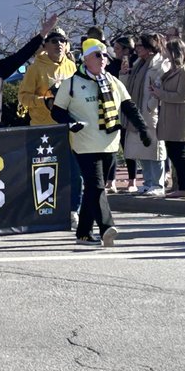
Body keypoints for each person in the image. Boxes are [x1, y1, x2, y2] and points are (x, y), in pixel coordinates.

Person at [51, 39, 151, 247]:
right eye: (98, 55)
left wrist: (143, 129)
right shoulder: (71, 83)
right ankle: (107, 227)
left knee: (92, 189)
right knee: (96, 186)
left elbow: (129, 107)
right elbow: (57, 111)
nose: (103, 59)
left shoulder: (113, 81)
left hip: (110, 144)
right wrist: (70, 124)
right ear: (86, 58)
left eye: (105, 55)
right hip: (84, 144)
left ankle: (84, 233)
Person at [17, 25, 82, 227]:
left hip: (67, 129)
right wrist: (44, 101)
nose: (59, 44)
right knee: (44, 172)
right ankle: (41, 212)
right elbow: (23, 97)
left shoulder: (71, 67)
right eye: (54, 41)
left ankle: (73, 210)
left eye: (62, 41)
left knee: (74, 173)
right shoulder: (36, 68)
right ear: (45, 45)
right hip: (44, 129)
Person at [123, 33, 170, 196]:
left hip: (151, 113)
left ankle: (158, 183)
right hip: (137, 113)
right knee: (141, 148)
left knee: (155, 149)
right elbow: (127, 87)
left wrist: (151, 106)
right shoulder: (138, 64)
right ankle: (148, 182)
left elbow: (159, 87)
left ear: (149, 48)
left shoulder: (159, 65)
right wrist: (123, 74)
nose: (136, 49)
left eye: (140, 46)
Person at [151, 39, 185, 198]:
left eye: (168, 51)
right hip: (170, 117)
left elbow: (182, 96)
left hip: (179, 118)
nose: (165, 54)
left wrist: (160, 94)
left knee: (179, 153)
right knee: (174, 152)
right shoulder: (172, 69)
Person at [105, 36, 138, 192]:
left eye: (118, 48)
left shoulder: (137, 64)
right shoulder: (112, 66)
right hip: (113, 110)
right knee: (112, 146)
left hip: (128, 110)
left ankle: (132, 181)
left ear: (126, 49)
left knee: (128, 146)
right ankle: (110, 180)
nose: (115, 51)